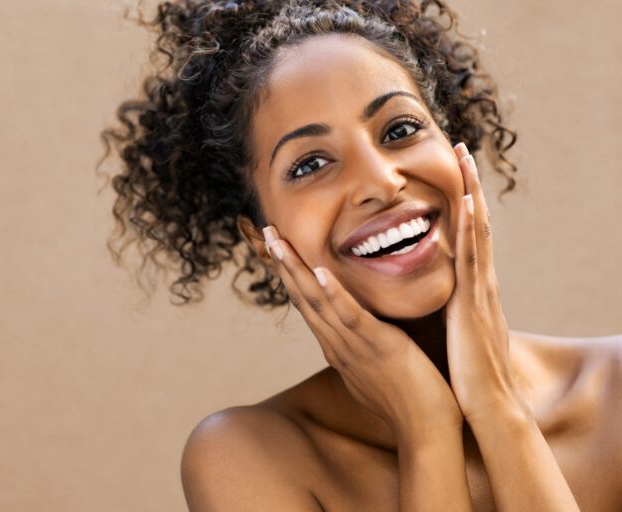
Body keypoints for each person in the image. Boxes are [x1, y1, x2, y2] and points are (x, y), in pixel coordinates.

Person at [102, 0, 622, 510]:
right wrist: (426, 431)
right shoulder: (249, 457)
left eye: (400, 130)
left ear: (454, 148)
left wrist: (498, 408)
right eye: (309, 164)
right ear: (263, 240)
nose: (379, 182)